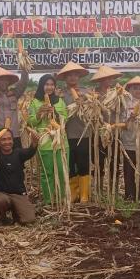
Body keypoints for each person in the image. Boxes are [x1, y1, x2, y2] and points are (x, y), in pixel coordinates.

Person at [29, 74, 69, 204]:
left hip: (61, 142)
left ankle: (62, 199)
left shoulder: (59, 101)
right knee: (47, 174)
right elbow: (31, 122)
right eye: (47, 84)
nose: (49, 87)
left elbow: (65, 118)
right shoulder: (34, 102)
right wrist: (40, 112)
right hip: (44, 142)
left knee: (63, 172)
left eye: (52, 85)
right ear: (42, 86)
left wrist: (55, 114)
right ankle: (49, 200)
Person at [56, 62, 92, 202]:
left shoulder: (87, 92)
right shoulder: (60, 95)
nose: (72, 77)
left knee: (83, 163)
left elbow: (95, 112)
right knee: (70, 164)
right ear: (65, 78)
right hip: (67, 135)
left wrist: (85, 105)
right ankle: (73, 193)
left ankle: (84, 195)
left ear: (79, 77)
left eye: (75, 74)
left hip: (84, 134)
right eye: (69, 75)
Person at [0, 129, 40, 226]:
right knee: (1, 200)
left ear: (13, 140)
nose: (7, 142)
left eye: (9, 139)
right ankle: (2, 217)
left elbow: (30, 151)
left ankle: (16, 212)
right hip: (2, 194)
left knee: (29, 220)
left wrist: (34, 142)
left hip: (19, 194)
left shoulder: (19, 153)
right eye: (3, 140)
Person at [91, 65, 125, 192]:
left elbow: (123, 113)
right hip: (99, 133)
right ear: (101, 79)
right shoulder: (95, 95)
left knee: (114, 162)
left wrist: (119, 124)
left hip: (114, 132)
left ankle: (114, 190)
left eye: (112, 77)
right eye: (107, 77)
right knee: (98, 161)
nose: (110, 79)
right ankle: (99, 190)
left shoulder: (119, 94)